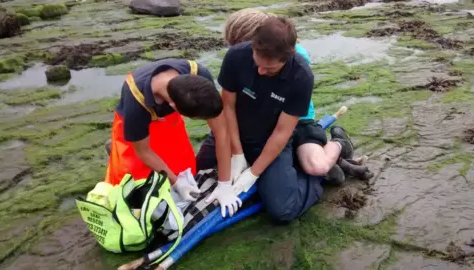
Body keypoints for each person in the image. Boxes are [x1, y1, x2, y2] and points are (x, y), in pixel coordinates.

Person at [196, 16, 354, 223]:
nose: (261, 71)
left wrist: (253, 173)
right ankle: (278, 168)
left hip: (269, 138)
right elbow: (228, 107)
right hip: (235, 130)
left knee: (283, 211)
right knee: (197, 172)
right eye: (257, 63)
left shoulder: (301, 76)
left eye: (270, 69)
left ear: (287, 58)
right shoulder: (236, 56)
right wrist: (237, 153)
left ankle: (310, 177)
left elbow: (282, 132)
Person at [103, 58, 241, 218]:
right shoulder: (135, 100)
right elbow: (144, 152)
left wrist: (224, 185)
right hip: (138, 127)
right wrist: (176, 182)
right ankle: (116, 148)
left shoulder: (199, 77)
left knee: (184, 170)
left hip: (167, 121)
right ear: (174, 107)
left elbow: (221, 132)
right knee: (136, 184)